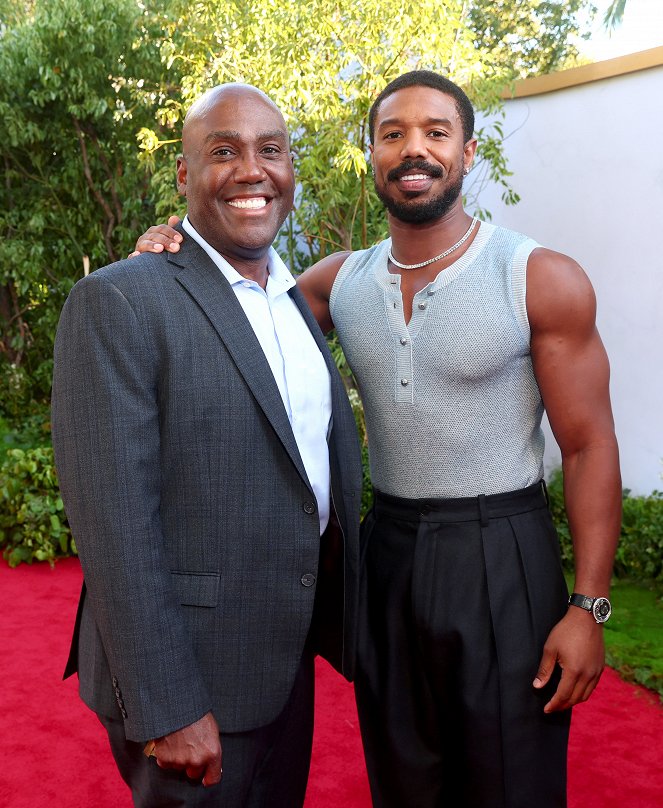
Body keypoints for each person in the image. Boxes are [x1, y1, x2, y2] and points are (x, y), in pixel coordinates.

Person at [132, 71, 621, 808]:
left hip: (500, 554)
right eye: (392, 134)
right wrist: (176, 245)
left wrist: (588, 607)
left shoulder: (538, 278)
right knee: (402, 783)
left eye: (434, 132)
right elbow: (233, 315)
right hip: (385, 556)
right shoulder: (336, 284)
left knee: (509, 785)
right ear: (371, 154)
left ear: (467, 151)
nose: (412, 149)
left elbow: (588, 447)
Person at [51, 83, 363, 808]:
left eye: (270, 151)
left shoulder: (294, 299)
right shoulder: (121, 301)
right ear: (186, 177)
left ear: (292, 171)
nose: (252, 170)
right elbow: (114, 524)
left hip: (282, 663)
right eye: (223, 152)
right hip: (191, 684)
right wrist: (167, 705)